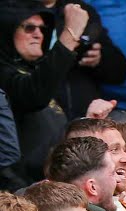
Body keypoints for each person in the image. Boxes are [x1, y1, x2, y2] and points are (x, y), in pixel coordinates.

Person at [0, 1, 87, 184]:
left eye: (42, 28)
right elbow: (33, 95)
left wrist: (84, 123)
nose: (38, 34)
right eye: (29, 27)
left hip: (52, 180)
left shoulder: (35, 71)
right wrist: (69, 35)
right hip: (19, 188)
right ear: (7, 30)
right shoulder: (4, 72)